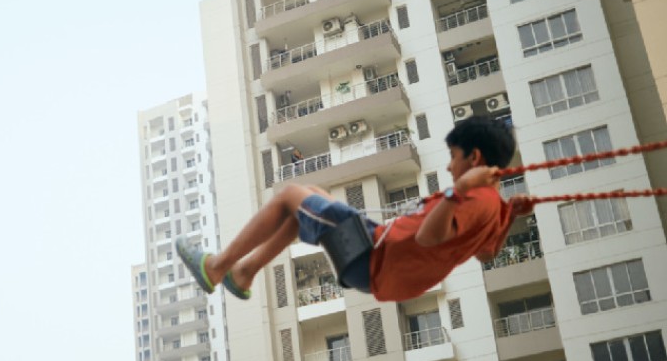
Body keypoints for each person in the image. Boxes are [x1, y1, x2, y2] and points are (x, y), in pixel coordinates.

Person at [176, 117, 535, 303]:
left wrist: (458, 190)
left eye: (454, 158)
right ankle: (245, 272)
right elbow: (487, 253)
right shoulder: (495, 206)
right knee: (309, 199)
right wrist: (509, 221)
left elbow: (428, 236)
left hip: (371, 258)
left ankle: (217, 267)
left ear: (474, 158)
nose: (449, 168)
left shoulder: (474, 197)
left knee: (288, 195)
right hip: (378, 262)